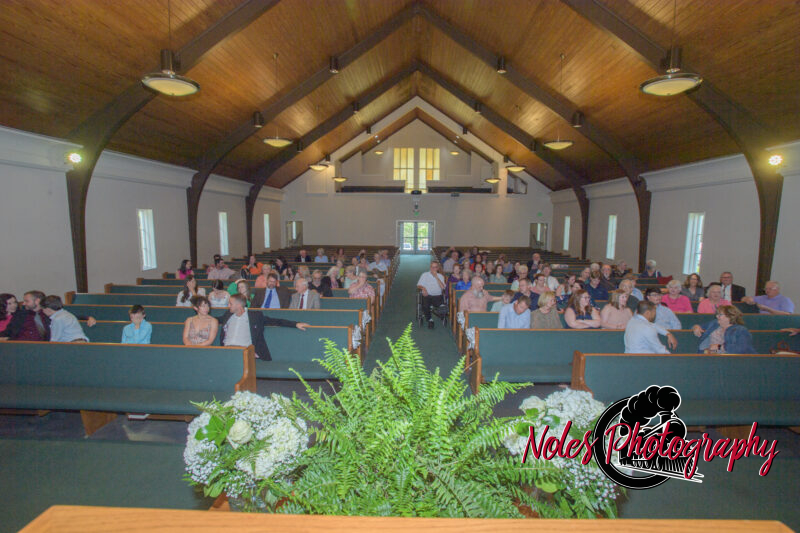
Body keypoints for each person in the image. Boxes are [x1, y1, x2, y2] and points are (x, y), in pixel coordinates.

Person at [219, 294, 308, 360]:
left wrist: (295, 324)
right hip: (226, 351)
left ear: (239, 305)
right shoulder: (228, 315)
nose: (228, 306)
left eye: (230, 303)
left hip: (244, 352)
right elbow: (216, 320)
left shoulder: (255, 316)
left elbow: (276, 321)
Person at [416, 261, 446, 329]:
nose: (433, 269)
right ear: (430, 267)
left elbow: (443, 287)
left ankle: (442, 311)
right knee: (425, 305)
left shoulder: (441, 276)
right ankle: (430, 320)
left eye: (435, 267)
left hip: (437, 296)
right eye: (432, 267)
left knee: (441, 305)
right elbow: (418, 285)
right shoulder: (424, 275)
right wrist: (423, 288)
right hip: (427, 295)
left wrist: (436, 277)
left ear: (437, 268)